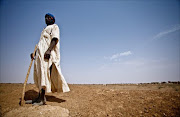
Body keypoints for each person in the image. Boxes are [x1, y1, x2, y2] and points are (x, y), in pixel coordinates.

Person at [29, 13, 70, 105]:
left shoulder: (55, 27)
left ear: (53, 19)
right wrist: (34, 53)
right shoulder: (44, 30)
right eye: (45, 18)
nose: (46, 19)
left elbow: (55, 39)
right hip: (40, 55)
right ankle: (39, 97)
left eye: (48, 17)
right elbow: (41, 44)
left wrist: (48, 50)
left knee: (44, 74)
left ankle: (42, 99)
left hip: (47, 55)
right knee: (39, 74)